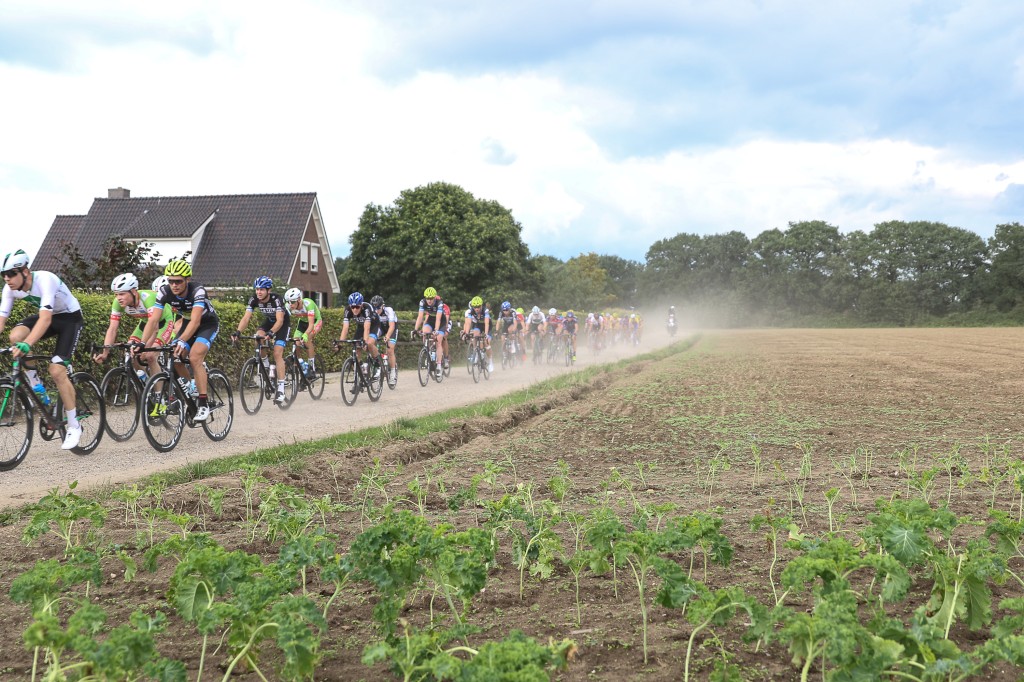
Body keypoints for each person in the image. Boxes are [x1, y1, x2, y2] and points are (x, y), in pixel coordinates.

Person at [0, 249, 85, 449]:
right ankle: (36, 385)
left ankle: (74, 425)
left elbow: (45, 319)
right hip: (49, 316)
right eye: (3, 275)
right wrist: (23, 341)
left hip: (69, 318)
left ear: (25, 271)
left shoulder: (45, 279)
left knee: (56, 370)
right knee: (15, 336)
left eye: (12, 273)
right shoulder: (9, 289)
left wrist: (28, 344)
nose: (7, 279)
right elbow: (1, 321)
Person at [139, 259, 219, 421]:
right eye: (171, 281)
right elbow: (153, 320)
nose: (174, 285)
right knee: (175, 359)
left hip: (206, 324)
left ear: (187, 280)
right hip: (187, 324)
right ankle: (191, 386)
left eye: (178, 281)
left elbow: (196, 321)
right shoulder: (164, 291)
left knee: (195, 356)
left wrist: (182, 340)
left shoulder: (197, 291)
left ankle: (203, 404)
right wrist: (142, 343)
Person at [93, 273, 177, 382]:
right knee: (131, 352)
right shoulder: (117, 303)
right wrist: (105, 353)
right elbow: (112, 328)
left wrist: (144, 346)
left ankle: (158, 396)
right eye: (116, 294)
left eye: (122, 294)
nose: (118, 298)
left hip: (163, 323)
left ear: (133, 291)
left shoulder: (148, 298)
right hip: (145, 323)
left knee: (150, 356)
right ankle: (147, 384)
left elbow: (154, 327)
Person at [232, 276, 291, 405]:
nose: (258, 292)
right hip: (269, 322)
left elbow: (280, 320)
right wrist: (238, 332)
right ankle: (265, 365)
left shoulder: (277, 299)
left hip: (282, 325)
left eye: (262, 289)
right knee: (258, 337)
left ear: (268, 290)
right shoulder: (254, 299)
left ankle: (281, 389)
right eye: (257, 289)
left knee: (277, 353)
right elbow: (246, 318)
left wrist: (271, 333)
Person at [338, 292, 382, 386]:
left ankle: (378, 365)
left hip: (374, 325)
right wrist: (340, 343)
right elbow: (345, 328)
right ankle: (361, 371)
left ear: (361, 305)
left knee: (369, 344)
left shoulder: (367, 308)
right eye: (352, 307)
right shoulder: (347, 310)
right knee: (356, 346)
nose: (354, 309)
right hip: (361, 327)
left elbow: (367, 328)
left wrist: (365, 342)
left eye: (357, 307)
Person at [284, 287, 322, 379]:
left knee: (307, 339)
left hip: (315, 322)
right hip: (302, 323)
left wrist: (305, 334)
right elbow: (284, 322)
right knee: (295, 342)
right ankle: (300, 363)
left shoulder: (308, 304)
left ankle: (312, 366)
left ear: (299, 300)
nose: (290, 304)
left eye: (292, 302)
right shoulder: (288, 306)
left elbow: (311, 324)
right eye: (288, 301)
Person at [413, 287, 448, 378]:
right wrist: (415, 329)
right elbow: (420, 317)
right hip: (430, 321)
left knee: (438, 341)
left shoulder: (439, 303)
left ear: (435, 298)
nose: (429, 300)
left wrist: (436, 330)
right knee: (425, 332)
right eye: (427, 298)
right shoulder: (422, 302)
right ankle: (427, 352)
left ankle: (439, 365)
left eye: (431, 298)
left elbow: (438, 318)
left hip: (440, 322)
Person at [371, 295, 399, 386]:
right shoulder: (372, 312)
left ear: (382, 306)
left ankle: (393, 373)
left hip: (391, 329)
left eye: (378, 308)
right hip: (381, 328)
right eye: (374, 308)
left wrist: (387, 336)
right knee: (371, 341)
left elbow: (392, 326)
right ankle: (377, 361)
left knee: (390, 349)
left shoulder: (389, 310)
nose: (376, 310)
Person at [462, 296, 493, 372]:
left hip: (487, 326)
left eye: (478, 307)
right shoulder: (470, 311)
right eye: (475, 307)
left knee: (486, 343)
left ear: (481, 306)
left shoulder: (485, 311)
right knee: (475, 335)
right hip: (478, 325)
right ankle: (476, 352)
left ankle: (490, 361)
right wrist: (466, 333)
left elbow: (486, 323)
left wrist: (486, 334)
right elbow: (468, 323)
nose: (477, 309)